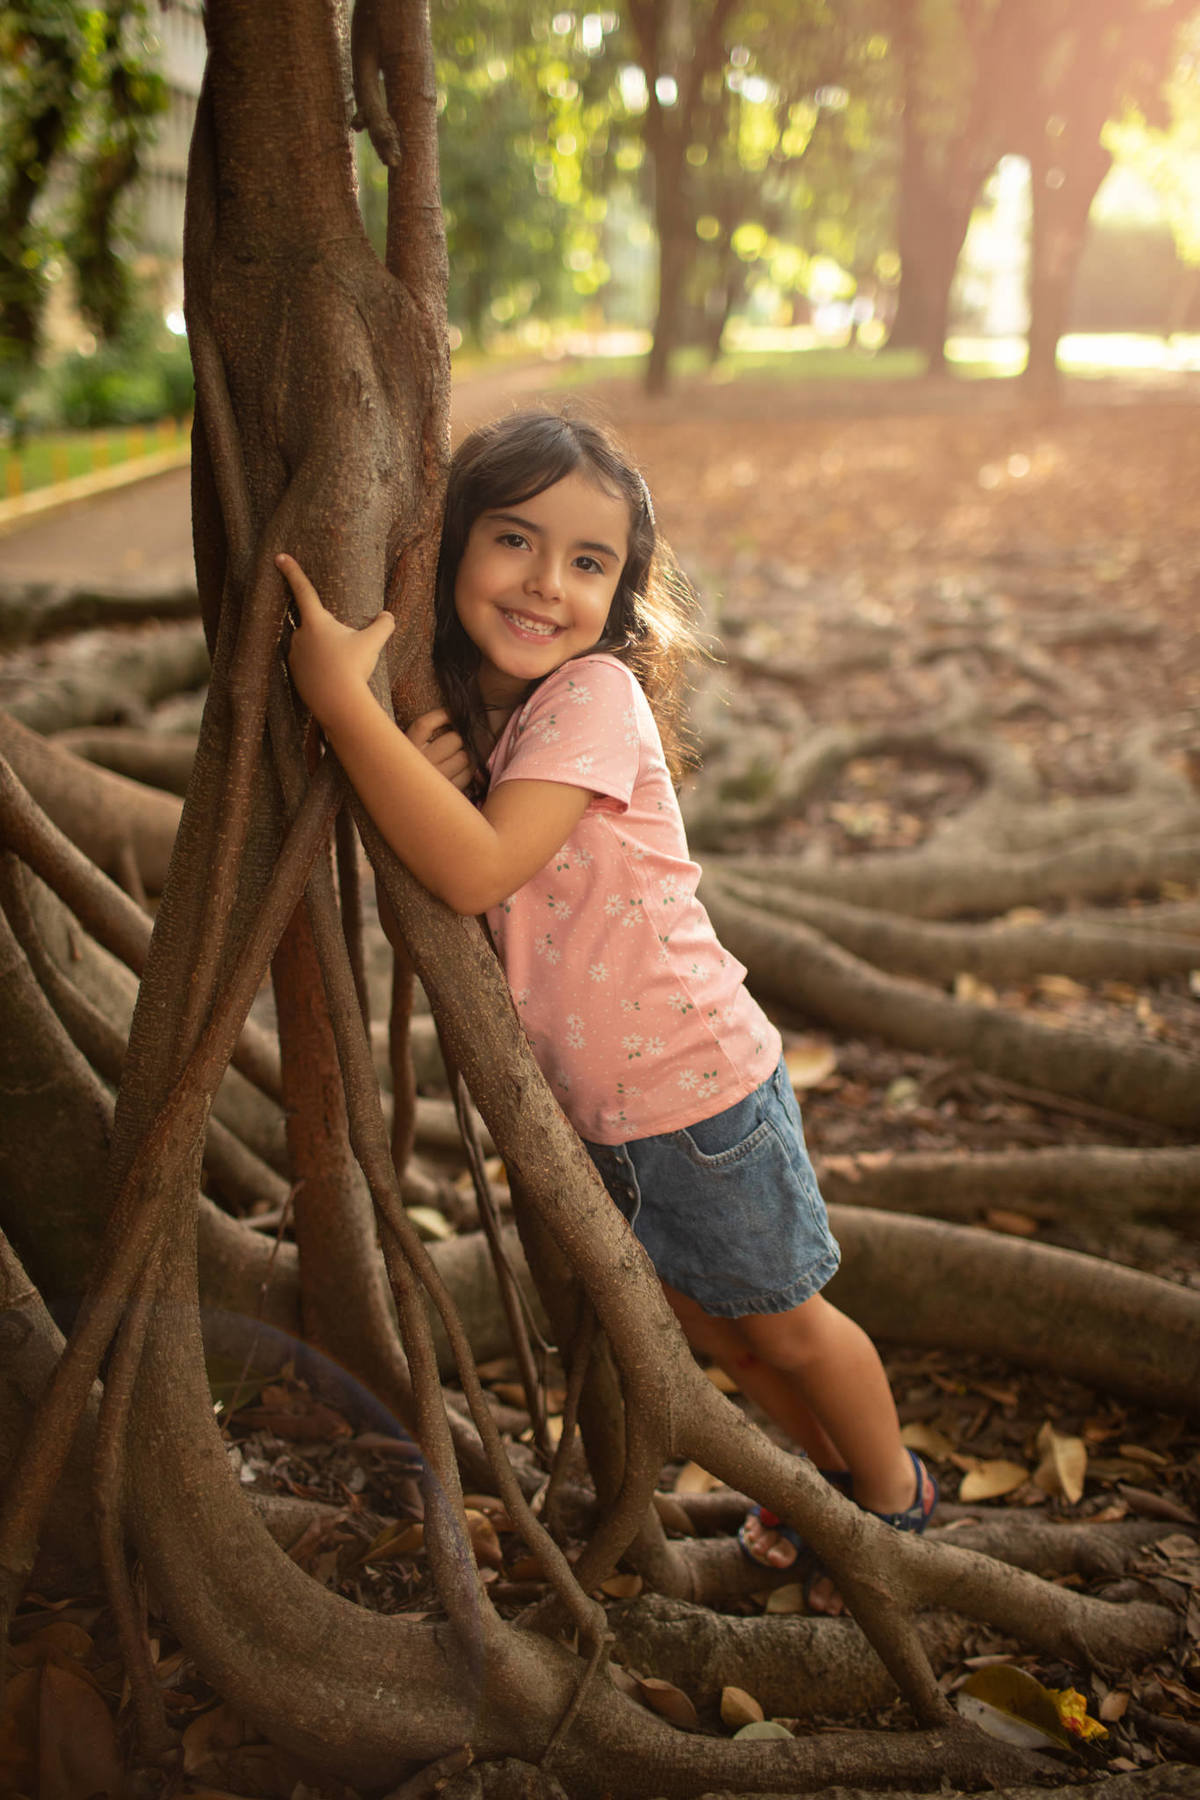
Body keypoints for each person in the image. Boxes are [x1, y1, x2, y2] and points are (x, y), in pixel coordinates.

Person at [276, 409, 936, 1610]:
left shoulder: (592, 695)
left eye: (588, 562)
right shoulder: (498, 712)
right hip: (611, 1112)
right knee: (722, 1336)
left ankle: (894, 1509)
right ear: (451, 546)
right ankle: (827, 1488)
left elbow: (477, 871)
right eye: (515, 540)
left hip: (696, 1091)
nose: (547, 582)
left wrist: (343, 707)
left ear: (622, 594)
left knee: (785, 1327)